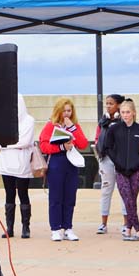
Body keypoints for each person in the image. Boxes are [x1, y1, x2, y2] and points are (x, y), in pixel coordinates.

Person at [39, 97, 89, 242]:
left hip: (71, 163)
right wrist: (61, 147)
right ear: (58, 112)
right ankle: (55, 228)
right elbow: (43, 146)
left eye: (69, 111)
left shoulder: (75, 126)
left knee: (70, 197)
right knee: (55, 197)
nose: (66, 114)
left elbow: (83, 143)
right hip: (56, 162)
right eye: (64, 111)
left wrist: (72, 128)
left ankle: (68, 227)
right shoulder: (51, 126)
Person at [104, 98, 139, 241]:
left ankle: (129, 228)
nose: (125, 115)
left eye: (128, 112)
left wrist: (138, 163)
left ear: (134, 113)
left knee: (131, 200)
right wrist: (118, 163)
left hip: (136, 170)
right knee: (127, 199)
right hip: (120, 170)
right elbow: (108, 147)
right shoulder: (114, 129)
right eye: (123, 112)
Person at [0, 95, 36, 239]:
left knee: (23, 194)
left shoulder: (29, 121)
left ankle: (26, 227)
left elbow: (25, 141)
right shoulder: (3, 120)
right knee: (9, 194)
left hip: (22, 163)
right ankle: (10, 228)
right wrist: (6, 145)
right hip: (6, 164)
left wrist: (5, 145)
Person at [93, 94, 128, 236]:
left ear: (118, 105)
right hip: (106, 158)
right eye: (106, 103)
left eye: (111, 103)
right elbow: (97, 137)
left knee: (124, 191)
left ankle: (127, 223)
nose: (108, 106)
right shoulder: (103, 121)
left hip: (120, 159)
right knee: (106, 189)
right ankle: (103, 223)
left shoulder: (124, 120)